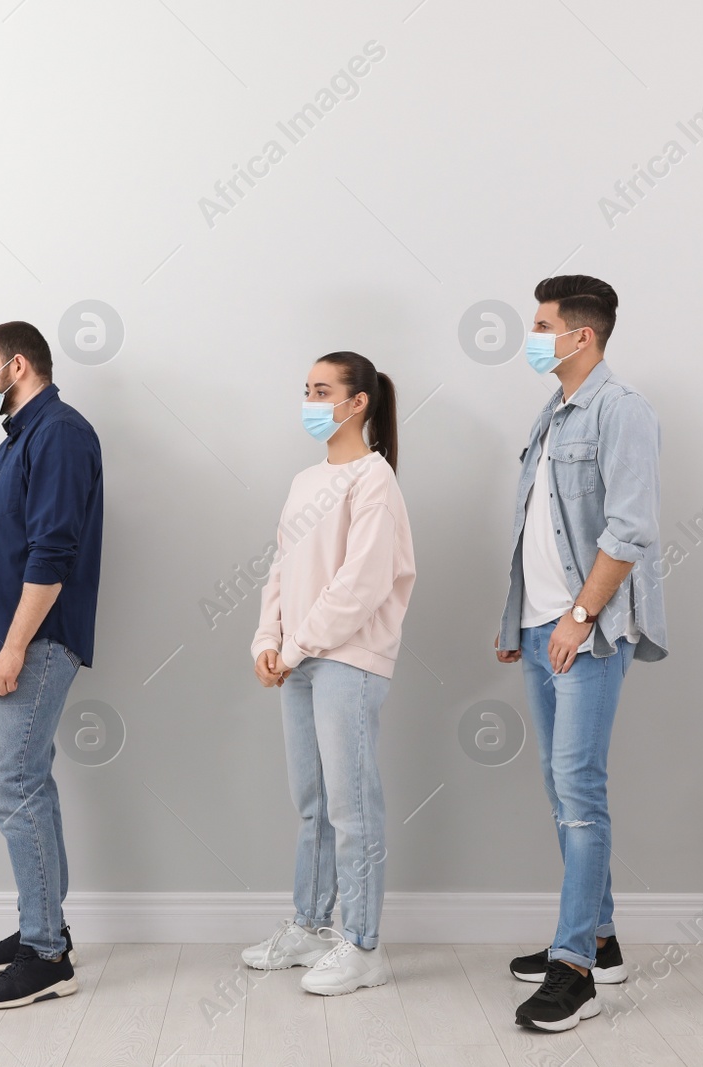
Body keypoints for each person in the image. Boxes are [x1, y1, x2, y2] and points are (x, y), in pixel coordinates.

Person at [495, 275, 668, 1033]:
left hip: (585, 631)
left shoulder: (621, 411)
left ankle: (575, 972)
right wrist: (523, 622)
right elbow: (538, 525)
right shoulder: (555, 410)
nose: (532, 338)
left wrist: (577, 615)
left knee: (580, 789)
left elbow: (629, 530)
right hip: (542, 628)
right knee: (561, 789)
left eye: (540, 325)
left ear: (581, 336)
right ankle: (600, 938)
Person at [245, 352, 416, 996]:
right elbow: (282, 569)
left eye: (323, 390)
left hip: (348, 659)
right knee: (311, 800)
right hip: (300, 661)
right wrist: (269, 639)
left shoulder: (374, 480)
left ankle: (363, 944)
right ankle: (312, 927)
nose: (311, 401)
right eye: (307, 389)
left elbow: (363, 583)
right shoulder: (304, 481)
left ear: (357, 402)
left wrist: (296, 648)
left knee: (352, 805)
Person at [0, 321, 103, 1010]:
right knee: (22, 782)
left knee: (13, 781)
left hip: (36, 641)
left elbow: (52, 551)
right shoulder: (10, 446)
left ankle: (47, 954)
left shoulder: (61, 433)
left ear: (17, 364)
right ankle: (42, 927)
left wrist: (11, 648)